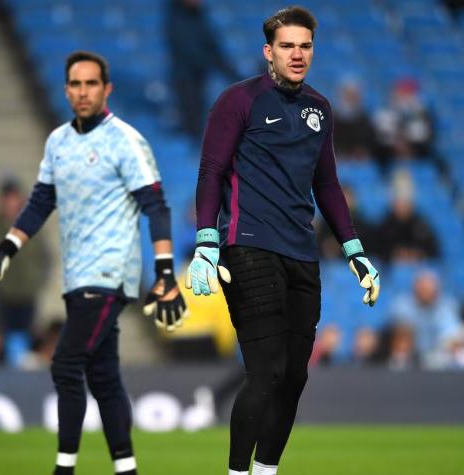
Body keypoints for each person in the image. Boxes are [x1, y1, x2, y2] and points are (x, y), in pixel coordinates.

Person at [185, 8, 380, 475]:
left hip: (301, 254)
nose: (298, 54)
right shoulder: (238, 101)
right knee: (267, 369)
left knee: (294, 376)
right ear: (268, 51)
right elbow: (211, 171)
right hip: (247, 247)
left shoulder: (320, 109)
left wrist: (353, 249)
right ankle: (236, 472)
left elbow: (327, 185)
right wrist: (207, 243)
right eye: (288, 46)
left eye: (306, 46)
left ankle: (266, 472)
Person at [0, 51, 186, 475]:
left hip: (109, 273)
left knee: (65, 363)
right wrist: (5, 250)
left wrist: (164, 273)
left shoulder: (125, 140)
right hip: (77, 277)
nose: (83, 91)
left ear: (106, 89)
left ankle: (64, 469)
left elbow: (156, 206)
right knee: (104, 376)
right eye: (75, 83)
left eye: (92, 83)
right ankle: (126, 469)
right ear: (66, 90)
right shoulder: (58, 142)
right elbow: (40, 203)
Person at [0, 178, 49, 332]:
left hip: (28, 295)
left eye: (14, 198)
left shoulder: (32, 227)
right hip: (2, 298)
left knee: (29, 340)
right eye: (7, 198)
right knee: (3, 340)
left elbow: (45, 258)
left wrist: (36, 281)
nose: (11, 202)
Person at [165, 0, 240, 139]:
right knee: (192, 123)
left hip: (200, 76)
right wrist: (212, 63)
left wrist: (232, 73)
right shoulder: (176, 19)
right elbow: (188, 50)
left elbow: (213, 47)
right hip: (186, 79)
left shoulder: (200, 17)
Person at [390, 270, 460, 370]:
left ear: (437, 290)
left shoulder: (447, 306)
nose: (425, 292)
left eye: (428, 289)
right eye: (422, 288)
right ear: (415, 289)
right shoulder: (402, 305)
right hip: (411, 354)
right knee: (400, 351)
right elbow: (400, 334)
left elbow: (451, 336)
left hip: (437, 355)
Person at [375, 169, 439, 263]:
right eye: (399, 198)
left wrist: (417, 254)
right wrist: (397, 255)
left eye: (406, 199)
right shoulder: (384, 226)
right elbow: (378, 255)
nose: (402, 204)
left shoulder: (422, 225)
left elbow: (433, 253)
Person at [373, 78, 435, 168]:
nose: (404, 96)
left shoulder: (422, 114)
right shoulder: (384, 112)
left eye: (407, 93)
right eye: (402, 93)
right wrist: (397, 144)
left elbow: (426, 136)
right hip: (390, 151)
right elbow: (381, 134)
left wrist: (410, 147)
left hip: (416, 150)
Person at [315, 184, 376, 260]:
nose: (345, 202)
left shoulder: (362, 225)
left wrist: (341, 247)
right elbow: (321, 246)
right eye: (341, 198)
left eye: (347, 197)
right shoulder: (326, 223)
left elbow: (367, 249)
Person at [332, 79, 378, 161]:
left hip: (359, 160)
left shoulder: (364, 118)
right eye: (348, 94)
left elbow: (369, 140)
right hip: (338, 158)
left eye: (354, 94)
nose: (351, 97)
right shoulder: (332, 116)